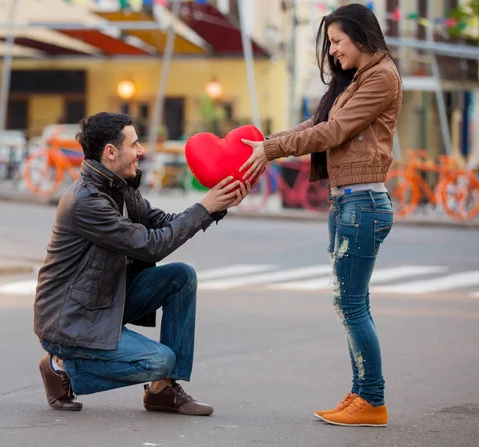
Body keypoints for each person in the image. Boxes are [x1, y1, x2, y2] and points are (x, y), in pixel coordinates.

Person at [240, 4, 402, 427]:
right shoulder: (359, 79)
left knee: (350, 304)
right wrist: (267, 142)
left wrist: (272, 150)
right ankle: (362, 392)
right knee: (351, 302)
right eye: (329, 44)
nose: (332, 52)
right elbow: (316, 121)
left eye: (336, 42)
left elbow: (332, 132)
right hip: (347, 202)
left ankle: (373, 399)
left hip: (362, 204)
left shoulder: (382, 76)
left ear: (361, 36)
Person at [34, 112, 251, 415]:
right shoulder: (87, 202)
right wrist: (204, 207)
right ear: (111, 152)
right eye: (134, 144)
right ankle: (63, 368)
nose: (141, 151)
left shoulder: (122, 188)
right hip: (72, 319)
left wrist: (218, 205)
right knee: (159, 360)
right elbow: (150, 246)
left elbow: (163, 224)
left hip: (105, 301)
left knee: (181, 277)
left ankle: (163, 391)